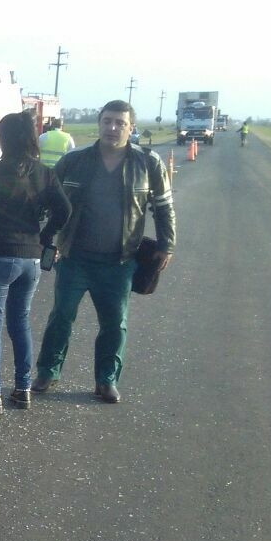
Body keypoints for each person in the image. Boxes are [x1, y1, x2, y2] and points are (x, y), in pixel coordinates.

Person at [32, 99, 176, 404]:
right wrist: (46, 239)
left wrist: (167, 245)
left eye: (120, 123)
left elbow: (164, 207)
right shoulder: (74, 161)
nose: (113, 128)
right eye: (107, 121)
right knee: (61, 317)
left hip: (119, 261)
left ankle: (106, 380)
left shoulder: (148, 163)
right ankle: (47, 371)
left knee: (114, 323)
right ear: (99, 124)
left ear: (131, 128)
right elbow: (49, 202)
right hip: (74, 258)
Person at [0, 111, 71, 414]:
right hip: (30, 257)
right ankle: (22, 390)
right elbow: (65, 210)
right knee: (20, 322)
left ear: (4, 139)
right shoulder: (45, 173)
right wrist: (46, 235)